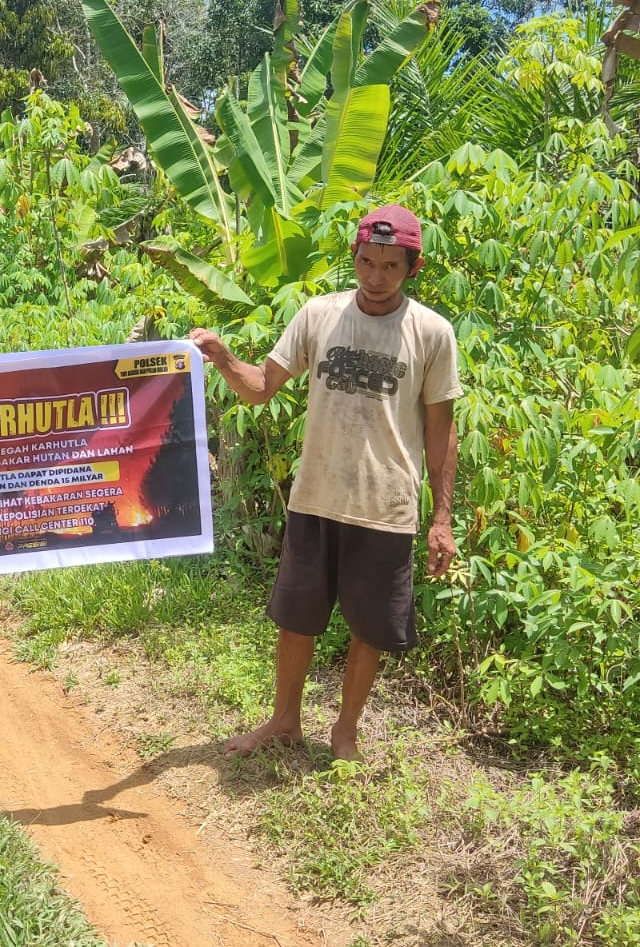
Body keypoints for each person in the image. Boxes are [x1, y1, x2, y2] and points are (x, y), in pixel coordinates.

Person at [190, 205, 461, 762]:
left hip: (386, 506)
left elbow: (441, 429)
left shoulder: (432, 333)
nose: (376, 277)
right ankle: (284, 721)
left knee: (369, 628)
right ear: (354, 258)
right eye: (366, 262)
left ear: (413, 267)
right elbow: (262, 386)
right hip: (315, 498)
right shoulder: (318, 315)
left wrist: (441, 518)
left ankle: (345, 733)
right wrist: (221, 358)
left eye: (390, 266)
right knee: (297, 619)